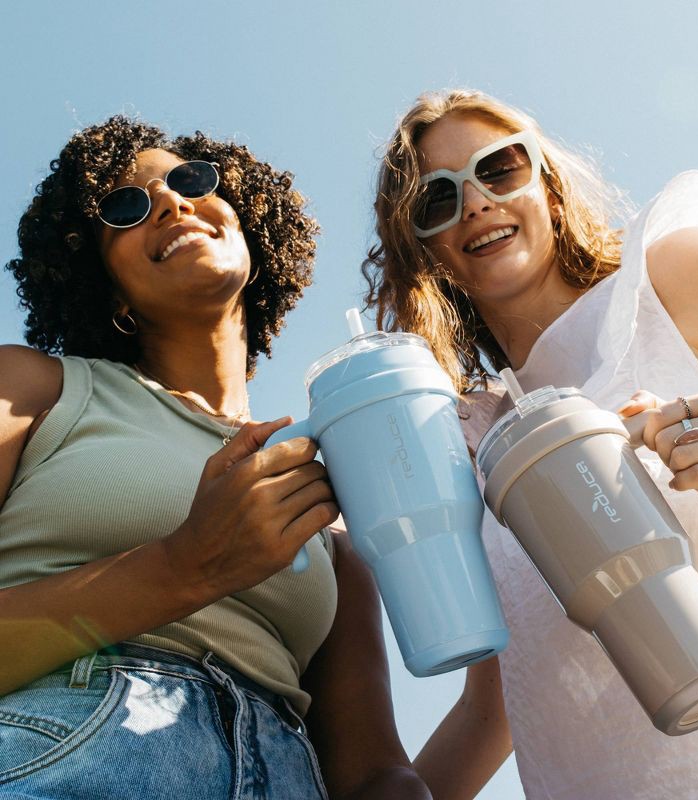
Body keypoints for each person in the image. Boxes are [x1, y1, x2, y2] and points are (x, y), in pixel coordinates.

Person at [362, 89, 698, 799]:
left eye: (498, 167)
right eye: (436, 200)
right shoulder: (467, 443)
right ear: (427, 251)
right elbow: (499, 705)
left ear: (549, 182)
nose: (474, 202)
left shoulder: (676, 280)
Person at [0, 116, 431, 800]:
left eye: (190, 179)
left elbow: (374, 771)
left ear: (248, 223)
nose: (171, 202)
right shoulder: (33, 389)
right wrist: (181, 568)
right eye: (125, 208)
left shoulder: (330, 511)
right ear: (105, 283)